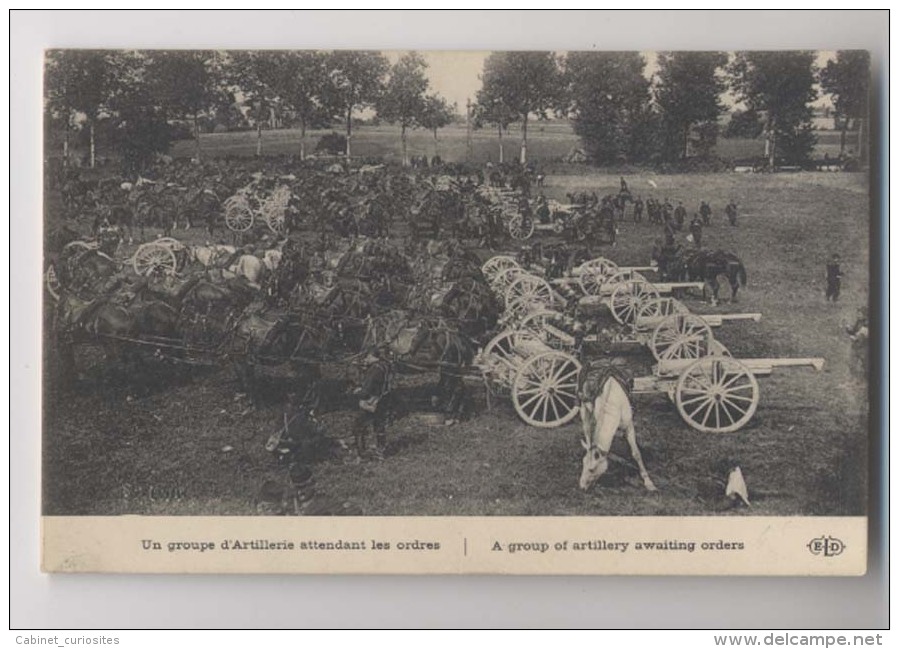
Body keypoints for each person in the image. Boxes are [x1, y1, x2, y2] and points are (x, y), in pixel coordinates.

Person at [353, 345, 393, 458]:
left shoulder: (374, 370)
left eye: (366, 357)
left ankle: (362, 454)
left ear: (371, 356)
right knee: (379, 425)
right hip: (383, 399)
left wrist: (356, 392)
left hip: (372, 401)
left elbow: (366, 391)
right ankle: (381, 450)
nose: (365, 360)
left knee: (358, 426)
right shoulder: (386, 365)